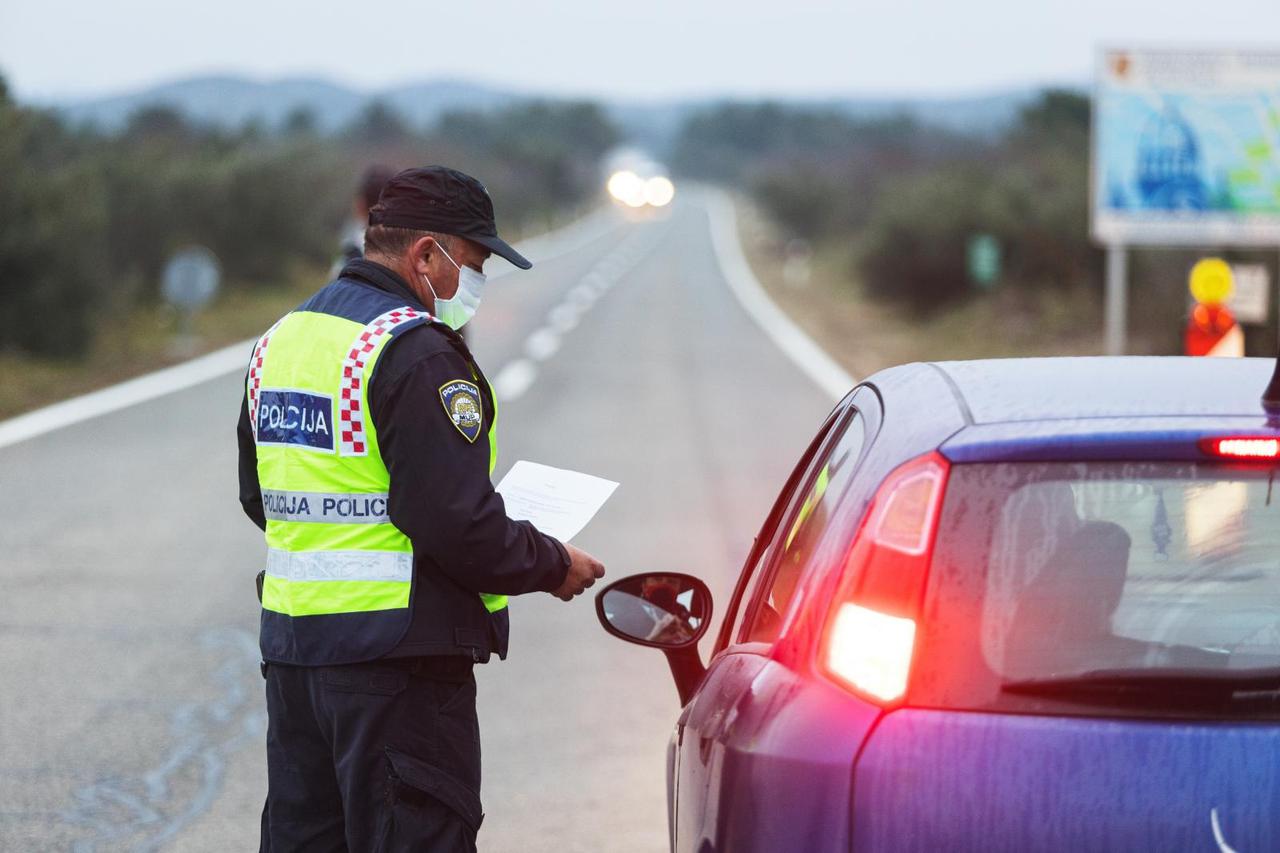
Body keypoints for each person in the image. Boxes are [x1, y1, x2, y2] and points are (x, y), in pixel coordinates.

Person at [236, 165, 606, 851]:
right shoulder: (414, 351)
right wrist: (553, 562)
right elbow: (457, 523)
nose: (475, 282)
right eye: (474, 262)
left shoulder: (282, 339)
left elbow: (261, 498)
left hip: (294, 660)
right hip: (397, 670)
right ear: (426, 255)